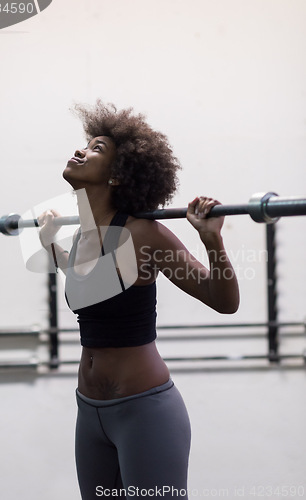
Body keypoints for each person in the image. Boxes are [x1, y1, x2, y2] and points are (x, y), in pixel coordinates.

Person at [38, 100, 239, 498]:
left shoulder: (143, 234)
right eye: (85, 144)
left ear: (116, 176)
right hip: (89, 412)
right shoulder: (82, 235)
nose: (80, 151)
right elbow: (89, 283)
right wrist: (50, 246)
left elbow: (223, 300)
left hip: (143, 411)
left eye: (96, 149)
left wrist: (211, 240)